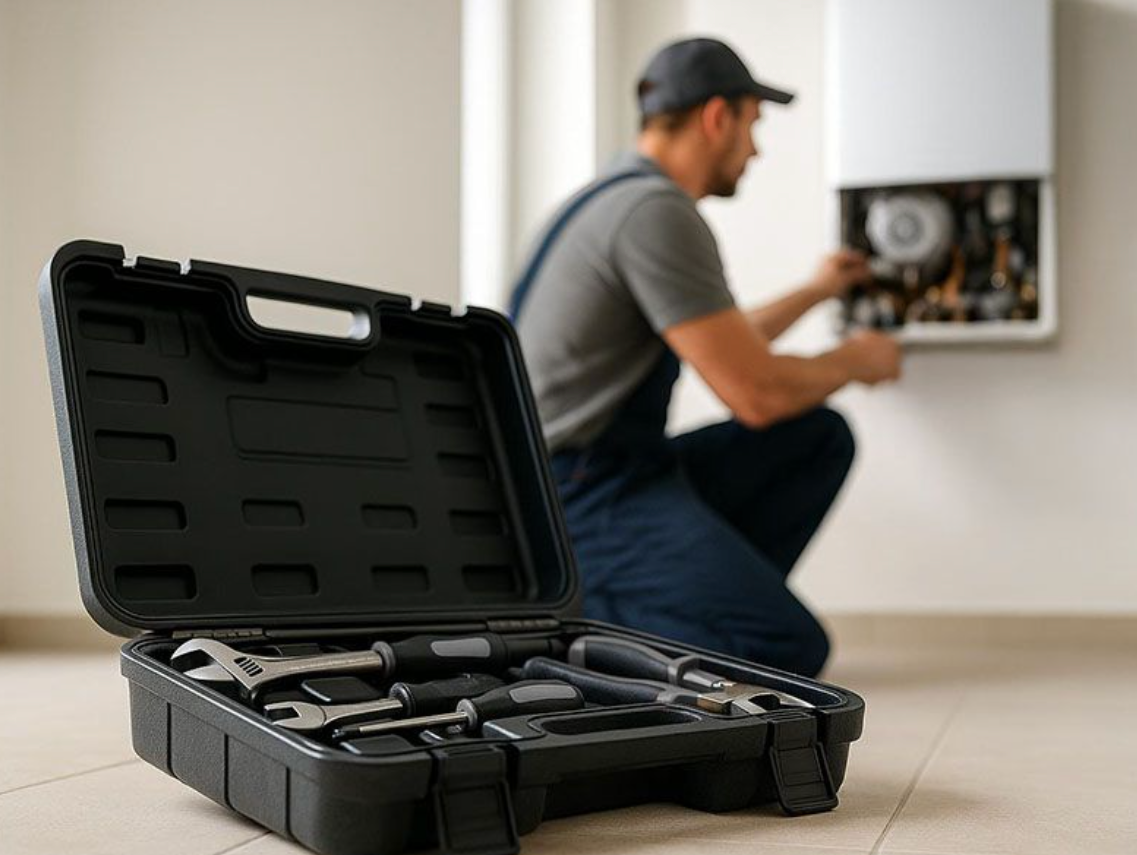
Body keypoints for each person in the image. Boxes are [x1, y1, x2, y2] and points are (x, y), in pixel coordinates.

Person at [511, 38, 901, 677]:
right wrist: (856, 361)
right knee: (784, 647)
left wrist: (817, 290)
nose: (756, 150)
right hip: (577, 494)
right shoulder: (655, 213)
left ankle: (711, 605)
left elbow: (722, 339)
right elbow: (756, 394)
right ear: (717, 116)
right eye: (753, 126)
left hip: (606, 469)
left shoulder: (612, 200)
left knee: (816, 437)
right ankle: (574, 628)